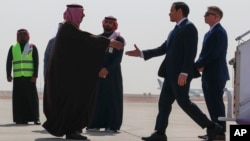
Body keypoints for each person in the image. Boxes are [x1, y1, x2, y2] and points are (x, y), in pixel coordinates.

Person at [125, 2, 223, 141]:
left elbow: (191, 52)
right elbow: (163, 48)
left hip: (180, 75)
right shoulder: (175, 30)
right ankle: (160, 133)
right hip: (169, 75)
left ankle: (212, 127)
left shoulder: (189, 28)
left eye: (171, 10)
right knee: (164, 103)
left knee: (184, 103)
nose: (169, 13)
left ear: (180, 11)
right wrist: (141, 53)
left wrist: (184, 73)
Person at [42, 4, 123, 140]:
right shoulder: (67, 28)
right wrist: (107, 43)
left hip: (69, 76)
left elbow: (83, 41)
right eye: (81, 14)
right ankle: (71, 131)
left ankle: (72, 130)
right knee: (71, 102)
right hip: (66, 77)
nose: (83, 16)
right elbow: (84, 39)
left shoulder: (69, 29)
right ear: (74, 14)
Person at [195, 6, 229, 140]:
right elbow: (204, 53)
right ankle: (214, 130)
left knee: (216, 103)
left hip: (216, 74)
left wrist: (197, 65)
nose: (205, 16)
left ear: (217, 17)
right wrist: (199, 64)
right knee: (210, 104)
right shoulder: (208, 33)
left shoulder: (219, 32)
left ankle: (220, 132)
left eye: (208, 14)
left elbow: (213, 53)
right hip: (208, 74)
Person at [87, 16, 125, 132]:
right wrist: (98, 70)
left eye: (110, 23)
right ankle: (95, 124)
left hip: (113, 74)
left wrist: (107, 70)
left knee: (113, 100)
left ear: (114, 25)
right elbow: (93, 56)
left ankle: (113, 126)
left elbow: (118, 59)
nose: (108, 24)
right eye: (106, 22)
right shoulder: (98, 38)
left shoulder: (119, 39)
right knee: (97, 99)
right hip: (98, 74)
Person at [6, 29, 40, 125]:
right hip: (17, 77)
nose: (22, 36)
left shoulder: (31, 47)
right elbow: (9, 62)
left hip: (29, 78)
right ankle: (20, 118)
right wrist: (8, 75)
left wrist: (35, 75)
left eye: (24, 34)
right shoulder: (13, 47)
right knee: (18, 99)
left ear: (27, 36)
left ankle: (35, 118)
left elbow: (36, 62)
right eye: (20, 35)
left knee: (32, 99)